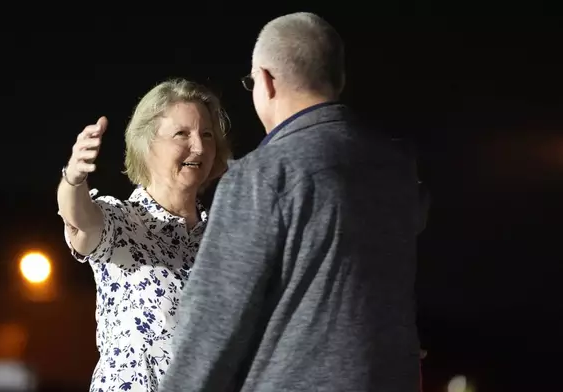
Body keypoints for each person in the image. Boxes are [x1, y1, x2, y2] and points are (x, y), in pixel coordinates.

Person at [159, 13, 422, 392]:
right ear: (339, 79)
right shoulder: (397, 170)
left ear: (266, 81)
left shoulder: (263, 175)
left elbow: (211, 329)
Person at [56, 78, 231, 392]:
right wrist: (73, 177)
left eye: (207, 134)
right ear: (147, 144)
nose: (200, 146)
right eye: (182, 134)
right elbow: (79, 217)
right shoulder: (123, 223)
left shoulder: (222, 242)